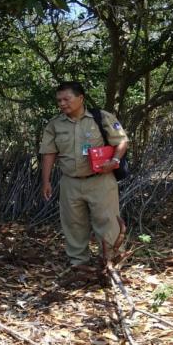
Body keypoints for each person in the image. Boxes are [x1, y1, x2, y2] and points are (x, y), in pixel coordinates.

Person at [39, 81, 128, 266]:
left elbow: (121, 141)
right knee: (73, 224)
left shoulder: (102, 118)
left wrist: (115, 161)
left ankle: (112, 261)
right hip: (70, 182)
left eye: (67, 99)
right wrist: (46, 181)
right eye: (59, 100)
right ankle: (78, 263)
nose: (62, 104)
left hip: (100, 180)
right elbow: (49, 153)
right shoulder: (55, 124)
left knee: (107, 222)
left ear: (81, 98)